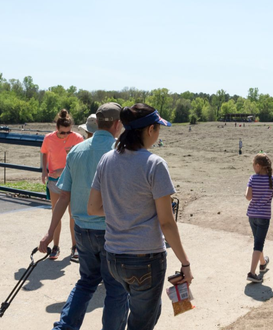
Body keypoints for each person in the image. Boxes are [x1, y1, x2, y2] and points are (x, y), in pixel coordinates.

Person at [88, 103, 193, 330]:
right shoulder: (155, 164)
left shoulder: (106, 160)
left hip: (114, 256)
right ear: (149, 130)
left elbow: (94, 207)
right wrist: (185, 263)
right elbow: (166, 222)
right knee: (142, 322)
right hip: (145, 260)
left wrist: (123, 209)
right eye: (158, 128)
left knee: (147, 313)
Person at [38, 103, 128, 330]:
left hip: (83, 231)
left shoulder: (77, 151)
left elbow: (63, 197)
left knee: (87, 282)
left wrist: (50, 233)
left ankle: (64, 327)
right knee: (116, 288)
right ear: (118, 124)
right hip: (111, 232)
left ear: (97, 123)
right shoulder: (122, 151)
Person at [41, 109, 83, 261]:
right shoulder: (48, 138)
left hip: (73, 180)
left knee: (73, 215)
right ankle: (56, 246)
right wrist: (44, 171)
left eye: (68, 132)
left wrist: (63, 170)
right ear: (56, 129)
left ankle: (75, 246)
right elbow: (44, 152)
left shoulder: (77, 138)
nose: (66, 136)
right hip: (54, 181)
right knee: (56, 215)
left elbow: (81, 158)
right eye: (62, 133)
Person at [245, 153, 273, 283]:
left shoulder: (252, 179)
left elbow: (248, 197)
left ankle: (262, 263)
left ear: (258, 166)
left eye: (253, 165)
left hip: (252, 215)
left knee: (257, 241)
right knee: (258, 243)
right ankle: (252, 273)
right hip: (264, 216)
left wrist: (247, 187)